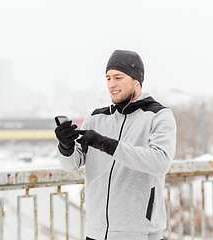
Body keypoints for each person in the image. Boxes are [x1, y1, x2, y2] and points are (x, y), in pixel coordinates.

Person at [54, 50, 176, 240]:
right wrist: (66, 146)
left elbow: (160, 162)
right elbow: (71, 165)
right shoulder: (96, 118)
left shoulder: (159, 116)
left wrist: (106, 144)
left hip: (140, 234)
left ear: (137, 80)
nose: (112, 84)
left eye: (118, 77)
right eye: (108, 78)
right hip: (95, 232)